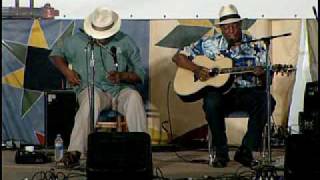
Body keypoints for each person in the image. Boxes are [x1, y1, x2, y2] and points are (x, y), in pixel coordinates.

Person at [172, 4, 276, 168]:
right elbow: (178, 57)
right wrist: (197, 69)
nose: (231, 31)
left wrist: (263, 75)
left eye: (234, 26)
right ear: (221, 28)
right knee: (211, 102)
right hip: (220, 94)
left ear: (240, 25)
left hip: (246, 92)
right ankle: (221, 153)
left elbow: (267, 82)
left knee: (267, 100)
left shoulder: (256, 46)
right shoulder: (208, 44)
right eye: (226, 28)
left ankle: (245, 150)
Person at [50, 6, 147, 167]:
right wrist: (67, 72)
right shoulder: (77, 41)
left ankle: (141, 150)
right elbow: (56, 54)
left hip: (119, 91)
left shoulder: (125, 41)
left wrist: (123, 76)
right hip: (91, 89)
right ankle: (75, 152)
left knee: (134, 97)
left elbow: (140, 75)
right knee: (90, 100)